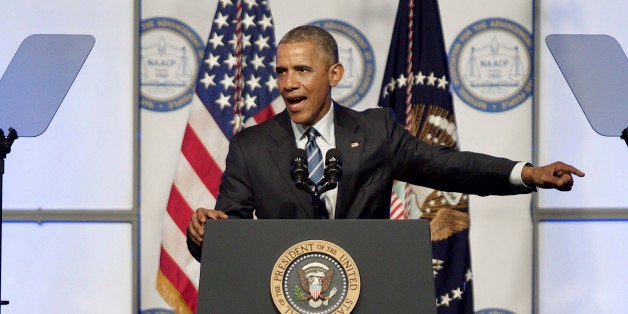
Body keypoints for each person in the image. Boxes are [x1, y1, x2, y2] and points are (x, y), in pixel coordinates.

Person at [186, 25, 584, 261]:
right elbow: (226, 235)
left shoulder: (375, 131)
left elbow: (448, 166)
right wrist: (205, 233)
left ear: (334, 74)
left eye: (302, 70)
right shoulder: (250, 145)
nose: (289, 83)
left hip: (367, 291)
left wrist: (528, 173)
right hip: (283, 295)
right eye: (282, 72)